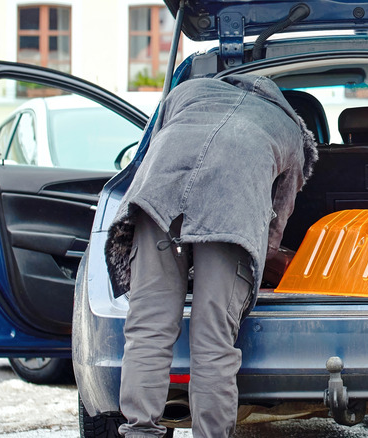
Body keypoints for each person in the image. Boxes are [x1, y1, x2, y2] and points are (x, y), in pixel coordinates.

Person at [104, 74, 318, 438]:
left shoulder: (185, 92)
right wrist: (261, 265)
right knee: (213, 340)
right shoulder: (290, 131)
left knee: (148, 329)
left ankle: (139, 431)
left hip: (157, 203)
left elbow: (154, 147)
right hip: (230, 217)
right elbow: (277, 220)